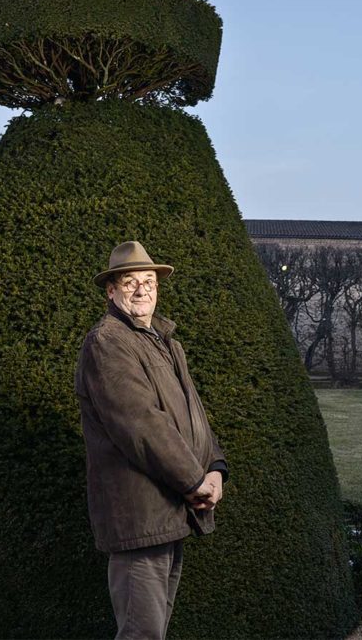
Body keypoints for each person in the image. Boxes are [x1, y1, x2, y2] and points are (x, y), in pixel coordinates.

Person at [74, 241, 228, 640]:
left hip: (169, 511)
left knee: (153, 631)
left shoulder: (165, 342)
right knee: (142, 633)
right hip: (139, 516)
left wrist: (215, 469)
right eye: (130, 282)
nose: (142, 290)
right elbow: (140, 425)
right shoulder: (108, 341)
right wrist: (194, 482)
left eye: (149, 281)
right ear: (111, 290)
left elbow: (196, 415)